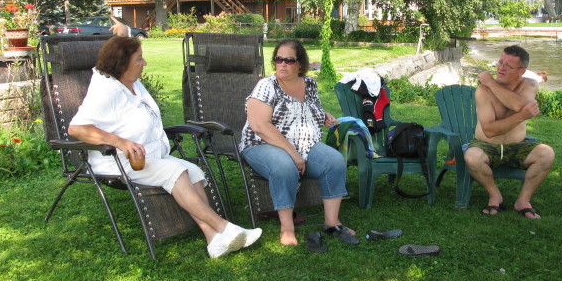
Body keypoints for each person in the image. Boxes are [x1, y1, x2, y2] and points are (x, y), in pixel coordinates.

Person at [68, 36, 262, 258]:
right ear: (122, 63)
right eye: (139, 59)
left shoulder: (132, 84)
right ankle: (226, 228)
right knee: (175, 172)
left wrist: (123, 31)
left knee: (194, 172)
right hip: (118, 160)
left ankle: (213, 239)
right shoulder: (107, 90)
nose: (145, 63)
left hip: (150, 157)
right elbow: (76, 128)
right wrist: (120, 142)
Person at [240, 39, 356, 247]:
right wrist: (293, 154)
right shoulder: (267, 86)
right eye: (278, 59)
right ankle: (287, 227)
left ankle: (332, 222)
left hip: (305, 144)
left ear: (300, 64)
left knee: (334, 161)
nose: (282, 64)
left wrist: (323, 115)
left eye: (289, 60)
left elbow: (307, 110)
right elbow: (260, 126)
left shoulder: (309, 84)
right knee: (284, 167)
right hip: (262, 144)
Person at [465, 45, 554, 219]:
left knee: (547, 154)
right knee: (471, 157)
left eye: (508, 66)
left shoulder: (530, 83)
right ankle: (494, 195)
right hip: (486, 145)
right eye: (500, 62)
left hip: (518, 145)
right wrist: (522, 116)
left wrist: (490, 82)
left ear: (521, 71)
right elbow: (489, 131)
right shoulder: (483, 90)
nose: (501, 68)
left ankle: (523, 200)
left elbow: (520, 105)